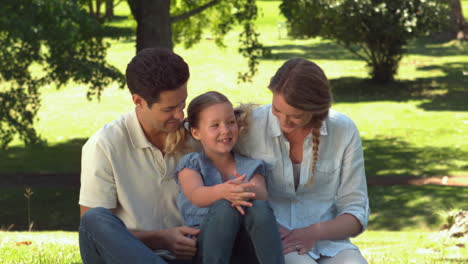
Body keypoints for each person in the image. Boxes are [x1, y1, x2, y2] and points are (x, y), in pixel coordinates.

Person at [235, 58, 370, 264]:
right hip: (274, 241)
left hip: (329, 241)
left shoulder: (343, 130)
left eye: (295, 116)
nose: (283, 122)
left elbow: (355, 209)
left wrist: (311, 233)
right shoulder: (249, 127)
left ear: (316, 109)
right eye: (277, 110)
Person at [78, 48, 199, 264]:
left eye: (183, 103)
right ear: (138, 101)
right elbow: (96, 235)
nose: (180, 115)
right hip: (132, 258)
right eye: (169, 109)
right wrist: (161, 239)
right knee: (93, 219)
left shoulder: (197, 136)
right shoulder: (105, 145)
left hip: (193, 256)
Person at [175, 91, 285, 264]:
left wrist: (241, 190)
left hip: (245, 247)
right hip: (206, 246)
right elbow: (196, 195)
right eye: (215, 125)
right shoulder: (192, 164)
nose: (225, 130)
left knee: (259, 208)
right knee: (227, 206)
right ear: (196, 133)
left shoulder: (251, 165)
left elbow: (262, 193)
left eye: (230, 122)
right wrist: (224, 191)